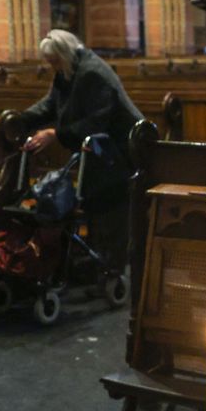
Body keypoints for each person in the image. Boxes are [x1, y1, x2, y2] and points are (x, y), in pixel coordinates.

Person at [20, 29, 144, 273]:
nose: (53, 67)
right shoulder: (68, 69)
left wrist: (55, 134)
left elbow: (96, 121)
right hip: (99, 152)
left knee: (111, 209)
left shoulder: (92, 73)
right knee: (94, 204)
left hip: (120, 151)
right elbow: (51, 104)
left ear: (64, 54)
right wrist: (22, 119)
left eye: (54, 62)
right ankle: (99, 263)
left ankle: (113, 269)